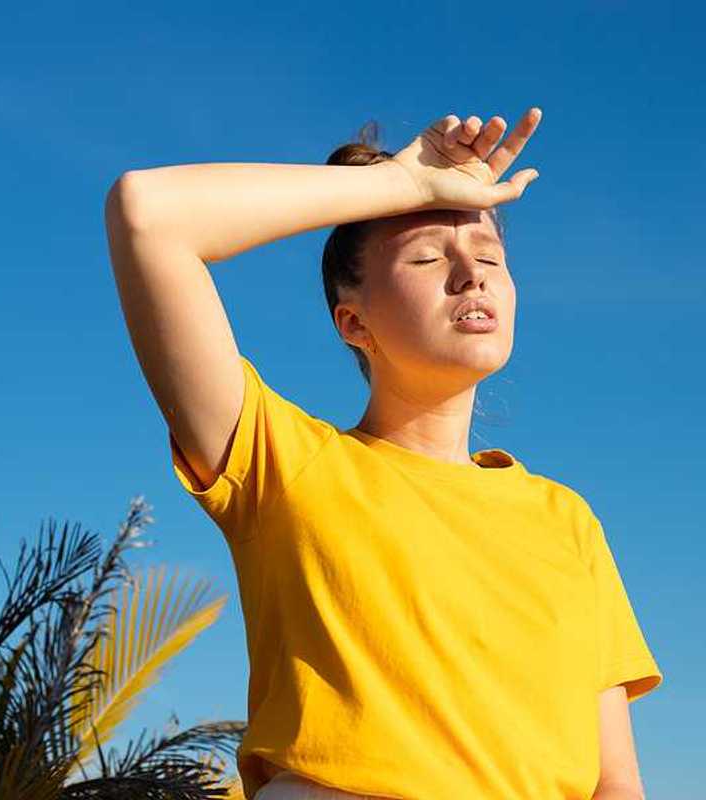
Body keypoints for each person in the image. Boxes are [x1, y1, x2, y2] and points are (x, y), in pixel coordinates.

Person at [104, 107, 663, 800]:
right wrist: (402, 185)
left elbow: (615, 778)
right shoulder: (286, 464)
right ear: (353, 320)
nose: (472, 277)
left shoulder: (564, 519)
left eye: (490, 258)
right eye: (428, 257)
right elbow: (149, 213)